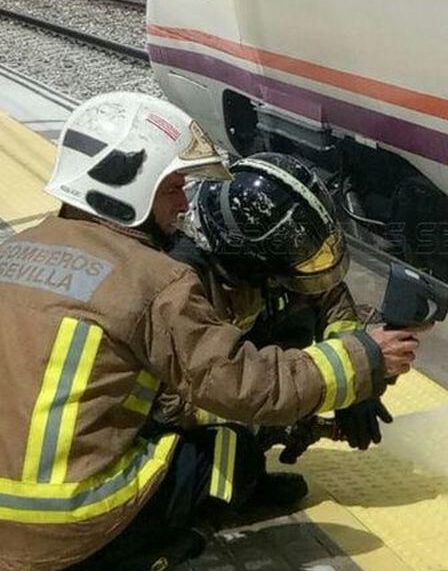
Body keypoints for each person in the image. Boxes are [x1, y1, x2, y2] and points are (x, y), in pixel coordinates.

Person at [0, 93, 421, 571]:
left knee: (14, 441)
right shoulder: (155, 280)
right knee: (228, 454)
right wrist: (360, 361)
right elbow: (245, 387)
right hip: (55, 521)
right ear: (128, 188)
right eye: (174, 187)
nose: (185, 205)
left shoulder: (7, 253)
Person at [158, 152, 394, 517]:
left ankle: (246, 461)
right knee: (230, 459)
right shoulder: (179, 286)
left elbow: (327, 295)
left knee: (293, 322)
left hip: (229, 370)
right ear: (247, 263)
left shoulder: (250, 256)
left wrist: (357, 380)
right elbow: (173, 404)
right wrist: (293, 407)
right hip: (162, 423)